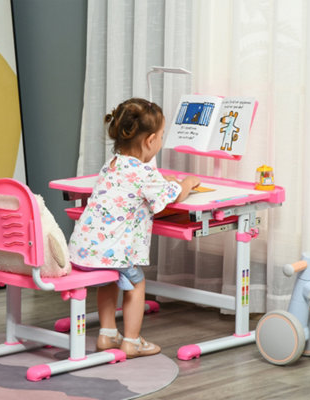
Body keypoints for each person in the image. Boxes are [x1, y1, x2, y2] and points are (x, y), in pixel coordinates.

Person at [68, 98, 200, 358]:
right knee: (135, 283)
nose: (160, 142)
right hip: (113, 252)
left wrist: (162, 180)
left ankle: (107, 335)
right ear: (150, 140)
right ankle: (132, 341)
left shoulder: (113, 164)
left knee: (109, 281)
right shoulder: (144, 174)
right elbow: (172, 196)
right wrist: (187, 183)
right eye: (161, 136)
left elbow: (140, 184)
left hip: (84, 250)